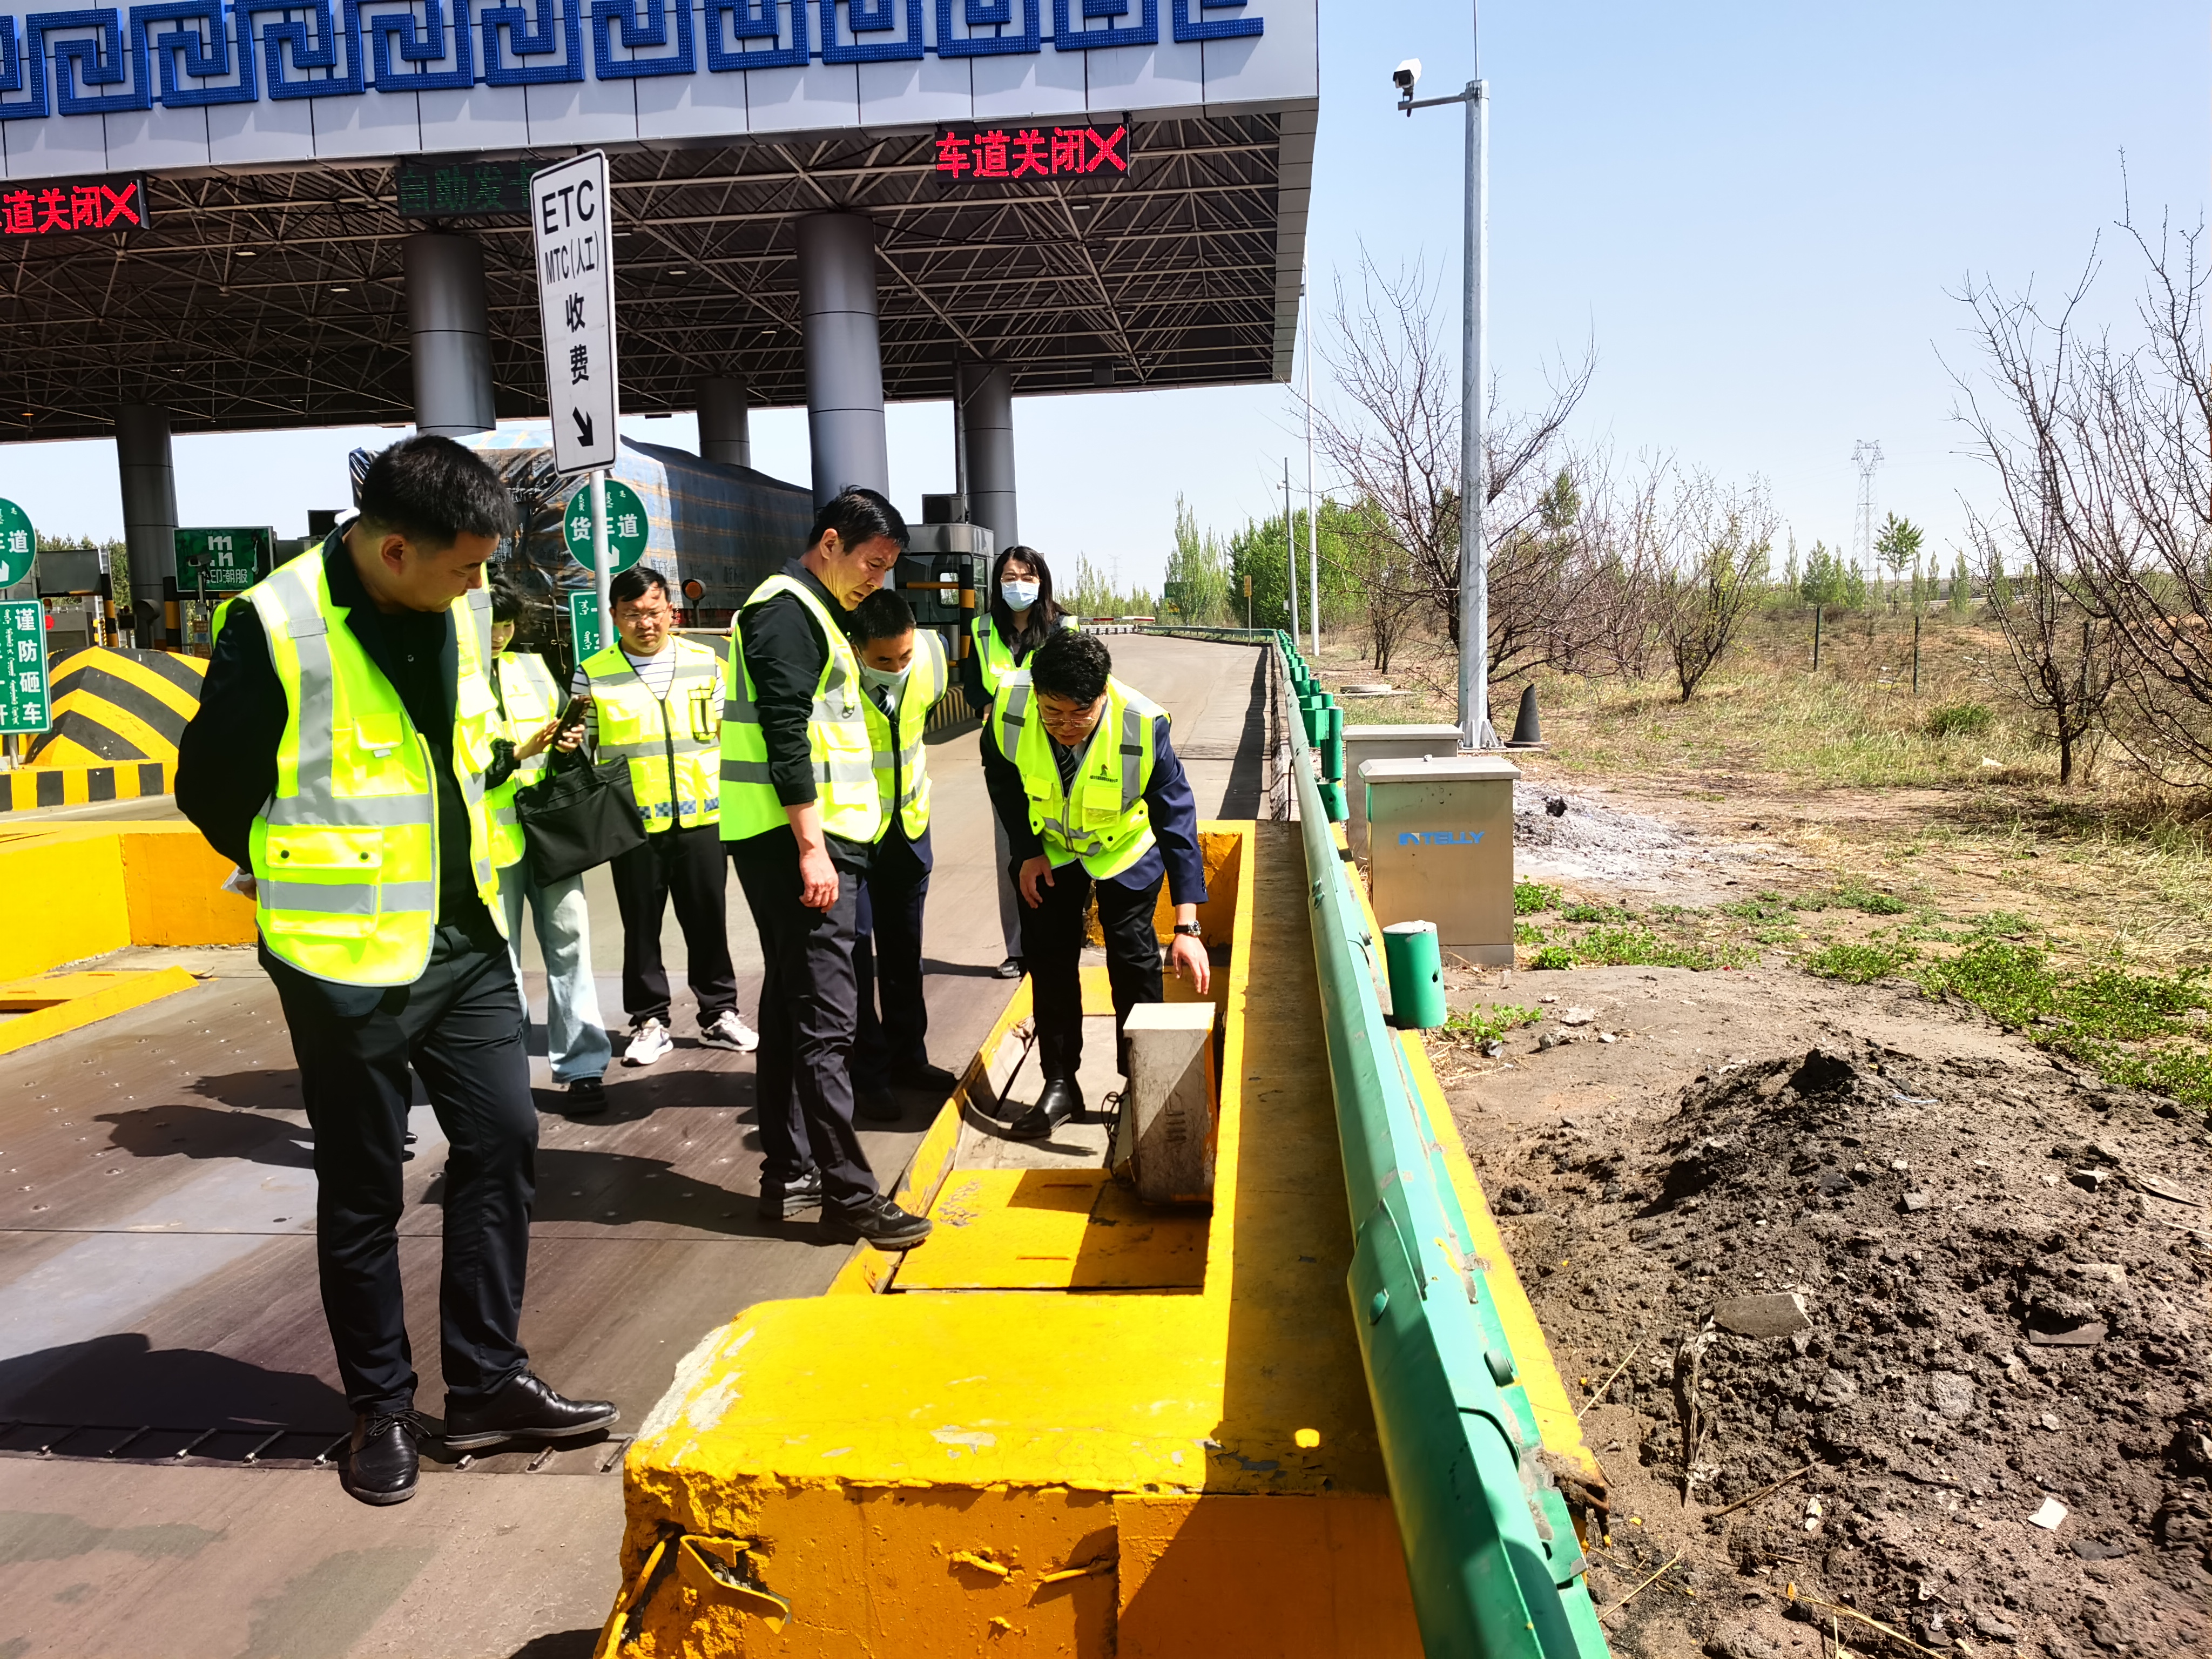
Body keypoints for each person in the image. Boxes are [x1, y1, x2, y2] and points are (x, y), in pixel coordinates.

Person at [176, 436, 616, 1507]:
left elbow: (450, 761)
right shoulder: (275, 627)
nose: (479, 585)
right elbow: (211, 789)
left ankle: (485, 1382)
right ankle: (379, 1404)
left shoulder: (457, 607)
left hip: (463, 938)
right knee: (366, 1185)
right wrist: (304, 869)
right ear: (391, 548)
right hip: (343, 959)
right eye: (466, 565)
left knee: (504, 1138)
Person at [721, 487, 932, 1249]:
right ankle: (848, 1194)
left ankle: (791, 1177)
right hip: (797, 845)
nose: (878, 580)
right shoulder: (788, 611)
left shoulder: (815, 611)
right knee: (828, 1022)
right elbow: (784, 733)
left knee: (788, 1010)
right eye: (873, 564)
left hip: (797, 840)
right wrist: (812, 845)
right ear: (833, 543)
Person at [981, 629, 1211, 1141]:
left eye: (1079, 714)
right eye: (1052, 712)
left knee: (1132, 961)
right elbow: (999, 771)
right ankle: (1061, 1083)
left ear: (1103, 693)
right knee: (1049, 961)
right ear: (1036, 694)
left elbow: (1178, 821)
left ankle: (1140, 1083)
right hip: (1051, 850)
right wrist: (1026, 850)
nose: (1065, 726)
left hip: (1124, 848)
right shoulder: (1011, 704)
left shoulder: (1142, 725)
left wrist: (1188, 926)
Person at [574, 565, 757, 1067]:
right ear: (613, 617)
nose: (645, 623)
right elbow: (582, 748)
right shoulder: (592, 673)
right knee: (640, 927)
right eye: (631, 614)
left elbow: (729, 735)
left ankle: (719, 1013)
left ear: (671, 612)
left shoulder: (706, 663)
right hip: (632, 826)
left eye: (653, 612)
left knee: (708, 920)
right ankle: (649, 1021)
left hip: (703, 818)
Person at [485, 576, 612, 1111]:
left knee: (570, 941)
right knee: (500, 960)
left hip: (548, 827)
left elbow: (559, 745)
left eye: (508, 625)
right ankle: (505, 1070)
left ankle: (583, 1065)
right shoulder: (453, 678)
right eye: (490, 626)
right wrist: (514, 755)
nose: (499, 636)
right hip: (489, 839)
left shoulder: (532, 668)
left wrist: (565, 741)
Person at [846, 588, 960, 1122]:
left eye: (904, 656)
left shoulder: (932, 659)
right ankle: (866, 1074)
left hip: (909, 831)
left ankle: (907, 1058)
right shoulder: (834, 676)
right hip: (852, 836)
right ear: (856, 649)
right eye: (882, 660)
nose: (896, 667)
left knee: (903, 955)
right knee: (852, 959)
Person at [961, 545, 1075, 981]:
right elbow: (973, 686)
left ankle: (1060, 934)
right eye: (1010, 577)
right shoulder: (984, 628)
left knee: (1059, 847)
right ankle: (1019, 949)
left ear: (1042, 581)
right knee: (1013, 850)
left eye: (1027, 577)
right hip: (1006, 759)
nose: (1018, 585)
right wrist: (985, 707)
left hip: (1055, 754)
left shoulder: (1064, 628)